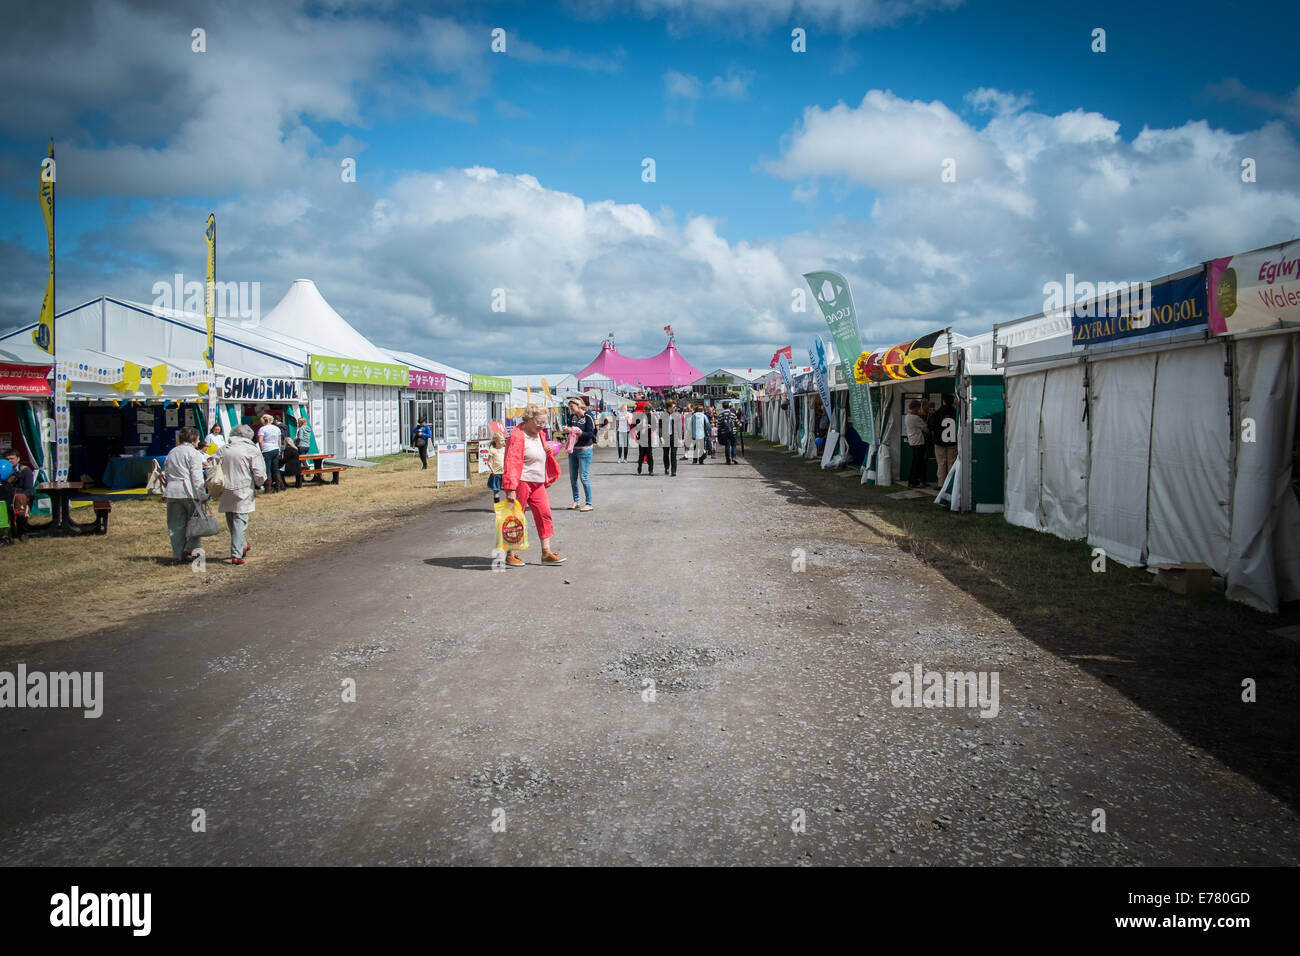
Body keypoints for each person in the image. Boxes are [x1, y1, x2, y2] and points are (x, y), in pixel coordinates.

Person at [501, 404, 565, 566]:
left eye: (544, 422)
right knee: (515, 517)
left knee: (545, 514)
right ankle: (510, 554)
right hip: (521, 481)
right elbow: (511, 461)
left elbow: (539, 454)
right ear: (529, 419)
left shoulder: (540, 435)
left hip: (538, 482)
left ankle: (546, 553)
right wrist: (510, 488)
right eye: (539, 422)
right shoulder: (517, 436)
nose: (542, 425)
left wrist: (547, 450)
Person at [218, 424, 266, 565]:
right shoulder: (251, 450)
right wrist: (259, 483)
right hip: (243, 487)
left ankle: (242, 545)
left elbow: (212, 465)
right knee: (240, 520)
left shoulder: (223, 449)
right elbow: (259, 472)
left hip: (225, 488)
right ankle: (237, 554)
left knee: (231, 519)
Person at [162, 426, 207, 563]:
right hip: (189, 491)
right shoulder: (193, 453)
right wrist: (202, 495)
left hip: (172, 491)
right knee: (196, 522)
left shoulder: (172, 452)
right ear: (193, 439)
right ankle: (191, 548)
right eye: (198, 438)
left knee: (175, 524)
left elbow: (167, 471)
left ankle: (177, 554)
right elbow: (197, 477)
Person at [564, 398, 596, 511]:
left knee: (584, 477)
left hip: (585, 449)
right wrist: (567, 430)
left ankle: (589, 503)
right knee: (573, 477)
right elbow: (570, 428)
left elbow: (591, 433)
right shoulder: (572, 417)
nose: (571, 409)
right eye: (570, 407)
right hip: (573, 449)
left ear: (578, 405)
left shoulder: (588, 416)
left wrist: (580, 432)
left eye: (572, 407)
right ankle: (576, 501)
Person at [1, 448, 37, 541]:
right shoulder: (2, 470)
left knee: (20, 503)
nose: (9, 461)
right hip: (6, 498)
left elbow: (29, 489)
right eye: (7, 459)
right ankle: (8, 532)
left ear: (18, 459)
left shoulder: (25, 471)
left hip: (22, 497)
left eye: (12, 458)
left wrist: (19, 497)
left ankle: (23, 532)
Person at [930, 393, 959, 487]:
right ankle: (951, 485)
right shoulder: (956, 413)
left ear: (943, 401)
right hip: (952, 442)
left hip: (939, 442)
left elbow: (931, 427)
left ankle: (941, 484)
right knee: (951, 463)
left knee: (941, 463)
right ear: (953, 402)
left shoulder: (937, 413)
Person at [904, 399, 930, 488]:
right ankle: (913, 481)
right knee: (917, 462)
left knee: (916, 462)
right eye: (918, 408)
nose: (919, 410)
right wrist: (925, 422)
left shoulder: (907, 416)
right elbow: (925, 428)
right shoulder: (916, 418)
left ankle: (916, 480)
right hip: (918, 442)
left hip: (912, 441)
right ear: (915, 408)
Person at [256, 414, 284, 493]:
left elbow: (260, 441)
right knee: (276, 468)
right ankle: (278, 487)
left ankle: (268, 488)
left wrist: (261, 449)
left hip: (267, 449)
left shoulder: (262, 429)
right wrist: (278, 449)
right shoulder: (276, 428)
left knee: (267, 469)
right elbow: (279, 440)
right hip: (275, 448)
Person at [633, 402, 658, 475]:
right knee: (641, 454)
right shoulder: (640, 416)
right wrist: (641, 426)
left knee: (650, 454)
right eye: (645, 410)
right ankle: (639, 467)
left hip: (649, 437)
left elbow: (656, 426)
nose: (646, 411)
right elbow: (636, 426)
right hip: (642, 437)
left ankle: (651, 470)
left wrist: (651, 427)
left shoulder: (653, 416)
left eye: (648, 410)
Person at [658, 399, 681, 476]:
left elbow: (679, 427)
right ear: (669, 407)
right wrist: (660, 437)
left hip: (674, 437)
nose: (675, 408)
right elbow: (660, 427)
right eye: (673, 407)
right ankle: (667, 467)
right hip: (665, 437)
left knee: (673, 454)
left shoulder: (677, 415)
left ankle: (673, 471)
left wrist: (680, 438)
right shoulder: (663, 415)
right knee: (666, 454)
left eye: (675, 407)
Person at [488, 432, 505, 504]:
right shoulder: (492, 450)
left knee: (508, 490)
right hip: (497, 474)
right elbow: (489, 462)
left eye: (504, 440)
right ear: (496, 442)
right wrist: (492, 470)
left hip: (505, 473)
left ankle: (509, 506)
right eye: (501, 440)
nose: (503, 442)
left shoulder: (505, 449)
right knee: (496, 491)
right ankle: (497, 506)